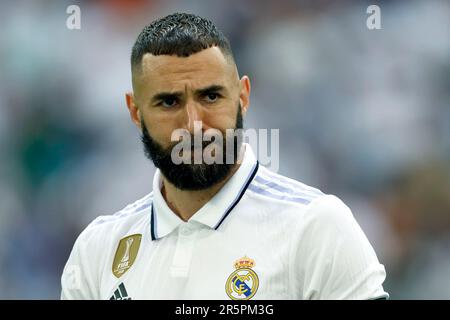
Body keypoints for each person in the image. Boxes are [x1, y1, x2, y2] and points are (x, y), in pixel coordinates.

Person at [61, 12, 388, 300]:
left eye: (211, 96)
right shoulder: (97, 249)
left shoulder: (316, 227)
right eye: (169, 102)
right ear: (135, 111)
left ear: (243, 96)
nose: (193, 125)